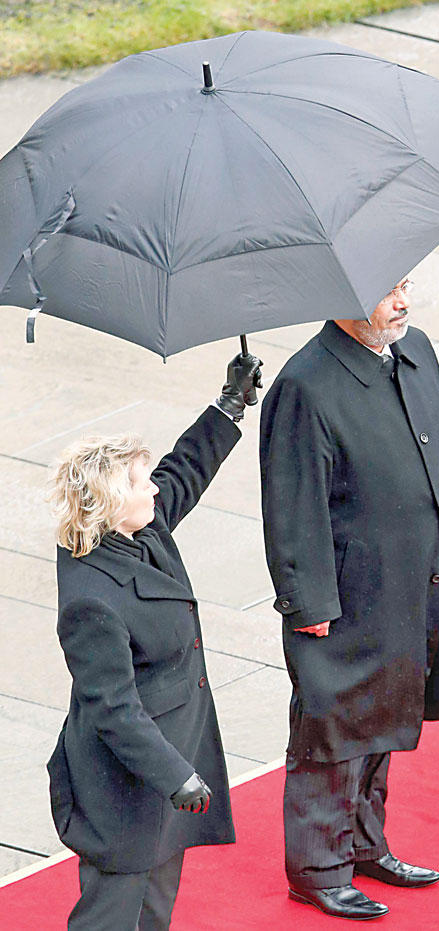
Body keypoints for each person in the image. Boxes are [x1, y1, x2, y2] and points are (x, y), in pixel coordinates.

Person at [260, 279, 439, 920]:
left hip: (415, 579)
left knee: (386, 717)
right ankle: (318, 869)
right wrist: (308, 604)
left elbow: (434, 463)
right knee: (333, 729)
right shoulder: (304, 385)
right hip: (346, 597)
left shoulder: (414, 350)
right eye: (387, 291)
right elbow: (292, 503)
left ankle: (365, 847)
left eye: (405, 285)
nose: (403, 302)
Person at [46, 352, 263, 930]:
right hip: (125, 782)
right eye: (141, 484)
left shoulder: (134, 527)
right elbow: (113, 708)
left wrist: (229, 405)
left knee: (154, 910)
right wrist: (176, 776)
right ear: (110, 503)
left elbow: (183, 470)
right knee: (113, 915)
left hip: (167, 761)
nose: (154, 491)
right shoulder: (91, 600)